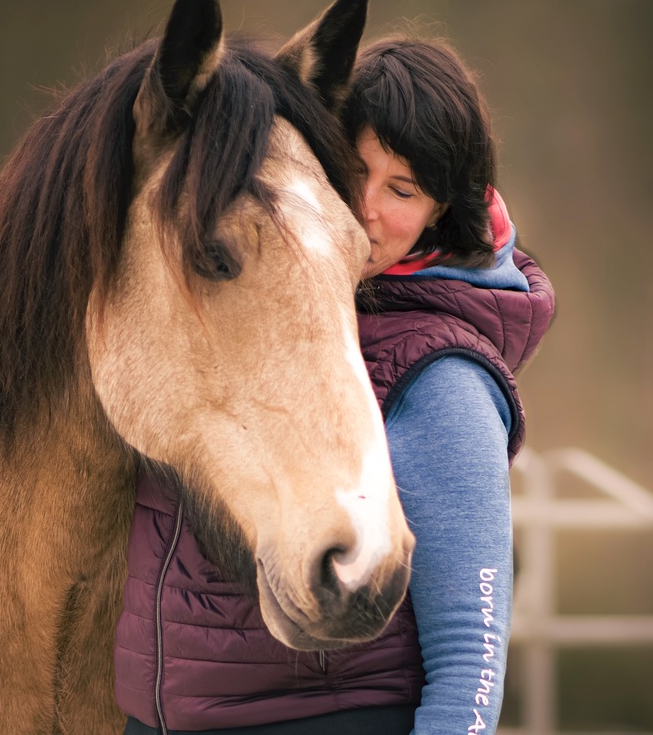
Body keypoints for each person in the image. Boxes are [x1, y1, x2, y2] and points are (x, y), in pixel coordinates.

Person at [114, 37, 556, 734]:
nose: (365, 207)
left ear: (442, 214)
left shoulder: (443, 378)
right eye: (352, 170)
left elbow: (471, 659)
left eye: (403, 191)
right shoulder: (264, 313)